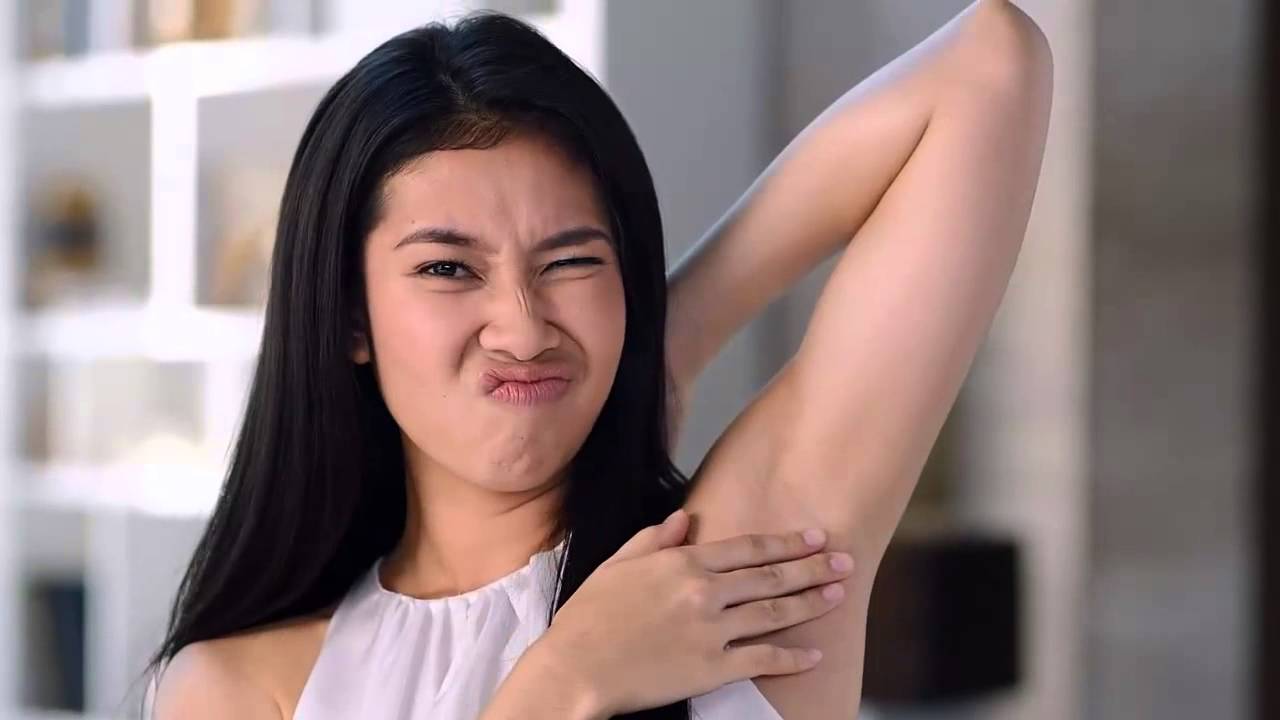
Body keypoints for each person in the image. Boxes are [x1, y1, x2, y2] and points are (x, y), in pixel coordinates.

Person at [148, 1, 1052, 717]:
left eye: (572, 261)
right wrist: (564, 682)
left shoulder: (720, 584)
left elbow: (988, 65)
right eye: (449, 268)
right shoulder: (237, 690)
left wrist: (662, 339)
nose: (522, 327)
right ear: (351, 316)